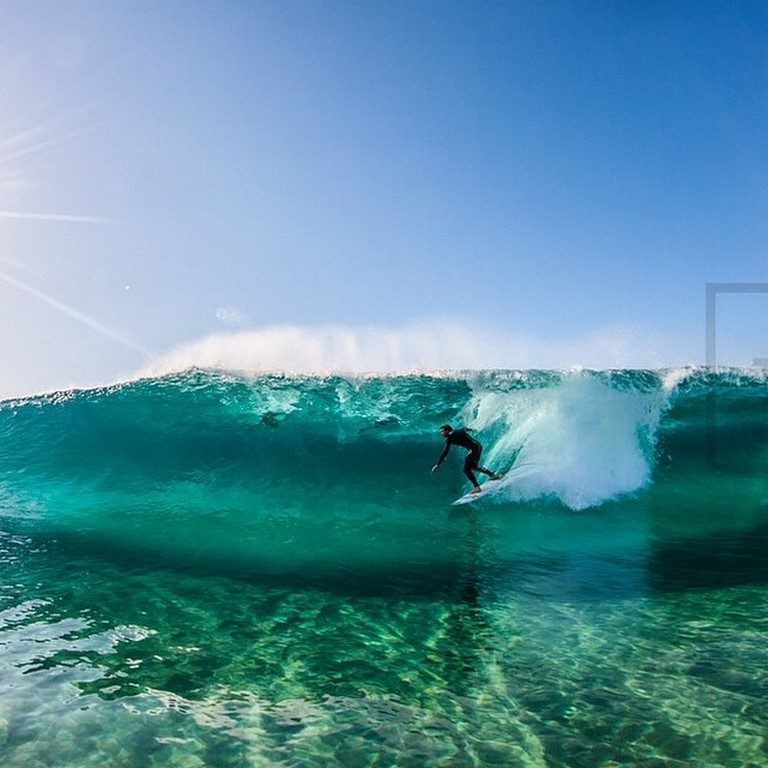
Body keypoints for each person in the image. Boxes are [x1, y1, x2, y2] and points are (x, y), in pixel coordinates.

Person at [431, 424, 500, 494]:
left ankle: (477, 487)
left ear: (447, 430)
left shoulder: (449, 438)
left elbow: (445, 452)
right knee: (473, 466)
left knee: (466, 470)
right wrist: (472, 429)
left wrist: (437, 464)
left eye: (442, 432)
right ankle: (492, 475)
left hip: (473, 449)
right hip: (478, 446)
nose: (441, 434)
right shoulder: (457, 431)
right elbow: (464, 428)